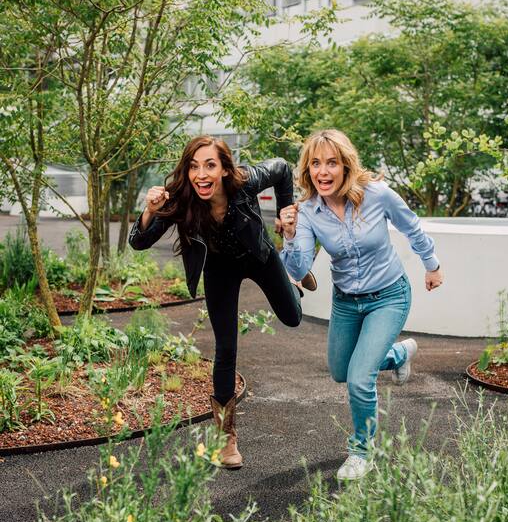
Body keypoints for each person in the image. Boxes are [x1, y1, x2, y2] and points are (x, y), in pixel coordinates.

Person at [129, 135, 315, 469]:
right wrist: (149, 210)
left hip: (260, 256)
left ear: (225, 169)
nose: (201, 173)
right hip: (220, 270)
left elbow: (283, 170)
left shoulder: (246, 180)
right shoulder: (182, 201)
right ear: (187, 171)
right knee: (225, 348)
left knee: (292, 317)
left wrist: (286, 222)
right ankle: (226, 439)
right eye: (194, 166)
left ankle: (293, 274)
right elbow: (139, 242)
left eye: (210, 165)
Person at [280, 129, 443, 481]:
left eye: (331, 163)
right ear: (308, 170)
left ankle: (360, 452)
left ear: (345, 166)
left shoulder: (377, 195)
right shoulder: (307, 212)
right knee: (341, 371)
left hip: (389, 295)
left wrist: (432, 265)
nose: (322, 171)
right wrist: (290, 236)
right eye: (315, 164)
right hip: (346, 303)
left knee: (359, 380)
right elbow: (298, 268)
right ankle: (398, 355)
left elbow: (411, 227)